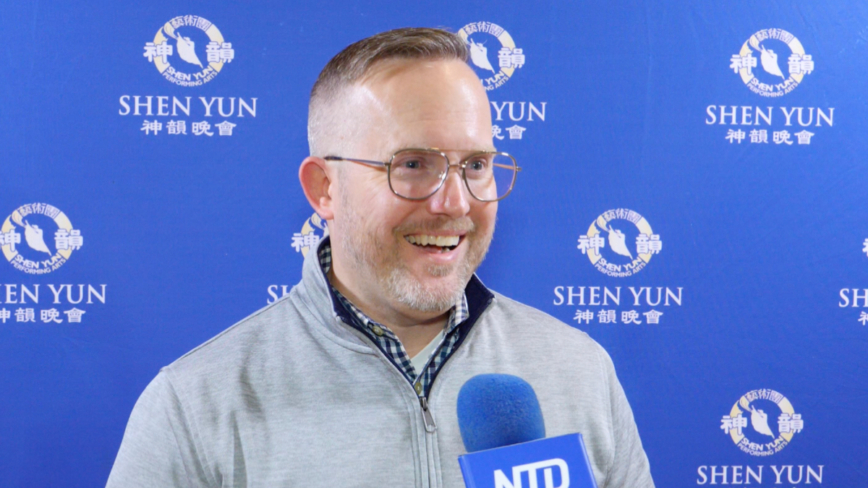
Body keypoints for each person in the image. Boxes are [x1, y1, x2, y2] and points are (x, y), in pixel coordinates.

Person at [107, 27, 654, 488]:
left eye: (476, 165)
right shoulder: (195, 405)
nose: (455, 203)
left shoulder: (580, 370)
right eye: (412, 165)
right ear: (324, 188)